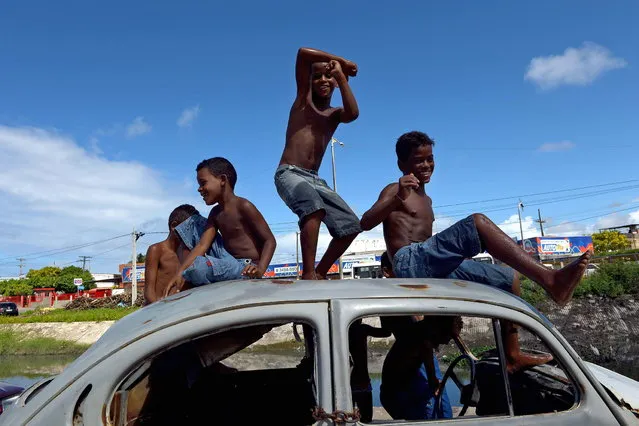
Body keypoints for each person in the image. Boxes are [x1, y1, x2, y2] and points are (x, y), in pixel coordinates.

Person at [361, 131, 592, 372]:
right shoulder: (393, 189)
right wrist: (397, 195)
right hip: (407, 262)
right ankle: (551, 280)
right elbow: (365, 222)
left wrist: (456, 253)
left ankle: (512, 356)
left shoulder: (426, 199)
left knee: (508, 279)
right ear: (402, 164)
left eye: (430, 158)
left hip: (428, 265)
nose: (427, 165)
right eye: (419, 160)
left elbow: (430, 245)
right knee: (478, 222)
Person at [275, 47, 361, 280]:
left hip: (314, 178)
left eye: (328, 75)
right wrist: (341, 60)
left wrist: (342, 76)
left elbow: (353, 113)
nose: (323, 79)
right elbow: (303, 53)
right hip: (289, 173)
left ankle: (322, 271)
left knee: (351, 225)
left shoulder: (334, 114)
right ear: (309, 82)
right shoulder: (303, 101)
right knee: (313, 208)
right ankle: (309, 273)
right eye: (317, 76)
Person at [169, 157, 276, 291]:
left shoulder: (244, 206)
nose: (199, 189)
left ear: (223, 180)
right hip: (226, 260)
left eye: (203, 183)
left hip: (245, 267)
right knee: (193, 223)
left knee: (198, 268)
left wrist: (260, 269)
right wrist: (179, 273)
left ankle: (197, 280)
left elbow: (270, 241)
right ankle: (187, 276)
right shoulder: (215, 213)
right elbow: (202, 245)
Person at [379, 251, 453, 420]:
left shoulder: (389, 295)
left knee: (432, 403)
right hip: (416, 358)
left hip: (407, 360)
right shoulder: (399, 296)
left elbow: (386, 331)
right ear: (387, 271)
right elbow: (423, 339)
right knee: (436, 403)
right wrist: (433, 378)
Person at [143, 204, 196, 305]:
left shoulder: (191, 254)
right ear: (174, 226)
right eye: (189, 229)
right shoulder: (156, 250)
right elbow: (149, 293)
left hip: (180, 310)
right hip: (158, 309)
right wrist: (160, 309)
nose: (192, 234)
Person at [348, 318, 391, 423]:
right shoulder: (361, 328)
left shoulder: (342, 329)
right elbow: (387, 332)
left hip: (345, 380)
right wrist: (382, 315)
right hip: (361, 380)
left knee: (348, 417)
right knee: (366, 418)